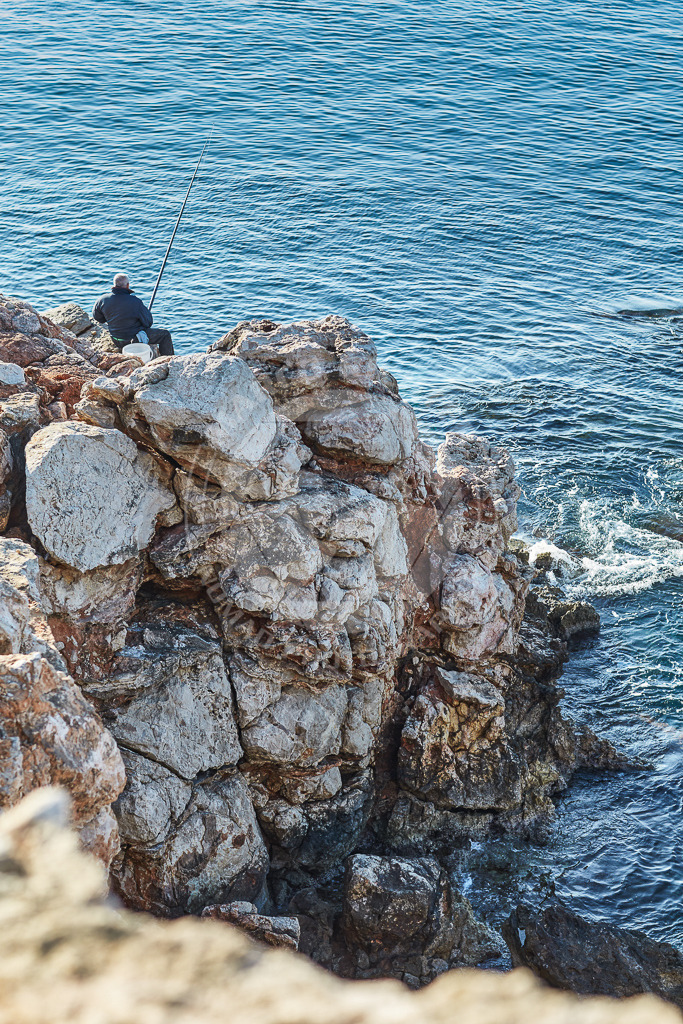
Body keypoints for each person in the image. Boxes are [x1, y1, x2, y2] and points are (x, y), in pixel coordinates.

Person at [92, 274, 174, 355]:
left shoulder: (102, 300)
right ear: (127, 285)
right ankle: (168, 360)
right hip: (132, 340)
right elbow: (148, 322)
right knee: (165, 334)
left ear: (114, 284)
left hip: (115, 339)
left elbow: (97, 317)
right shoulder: (135, 302)